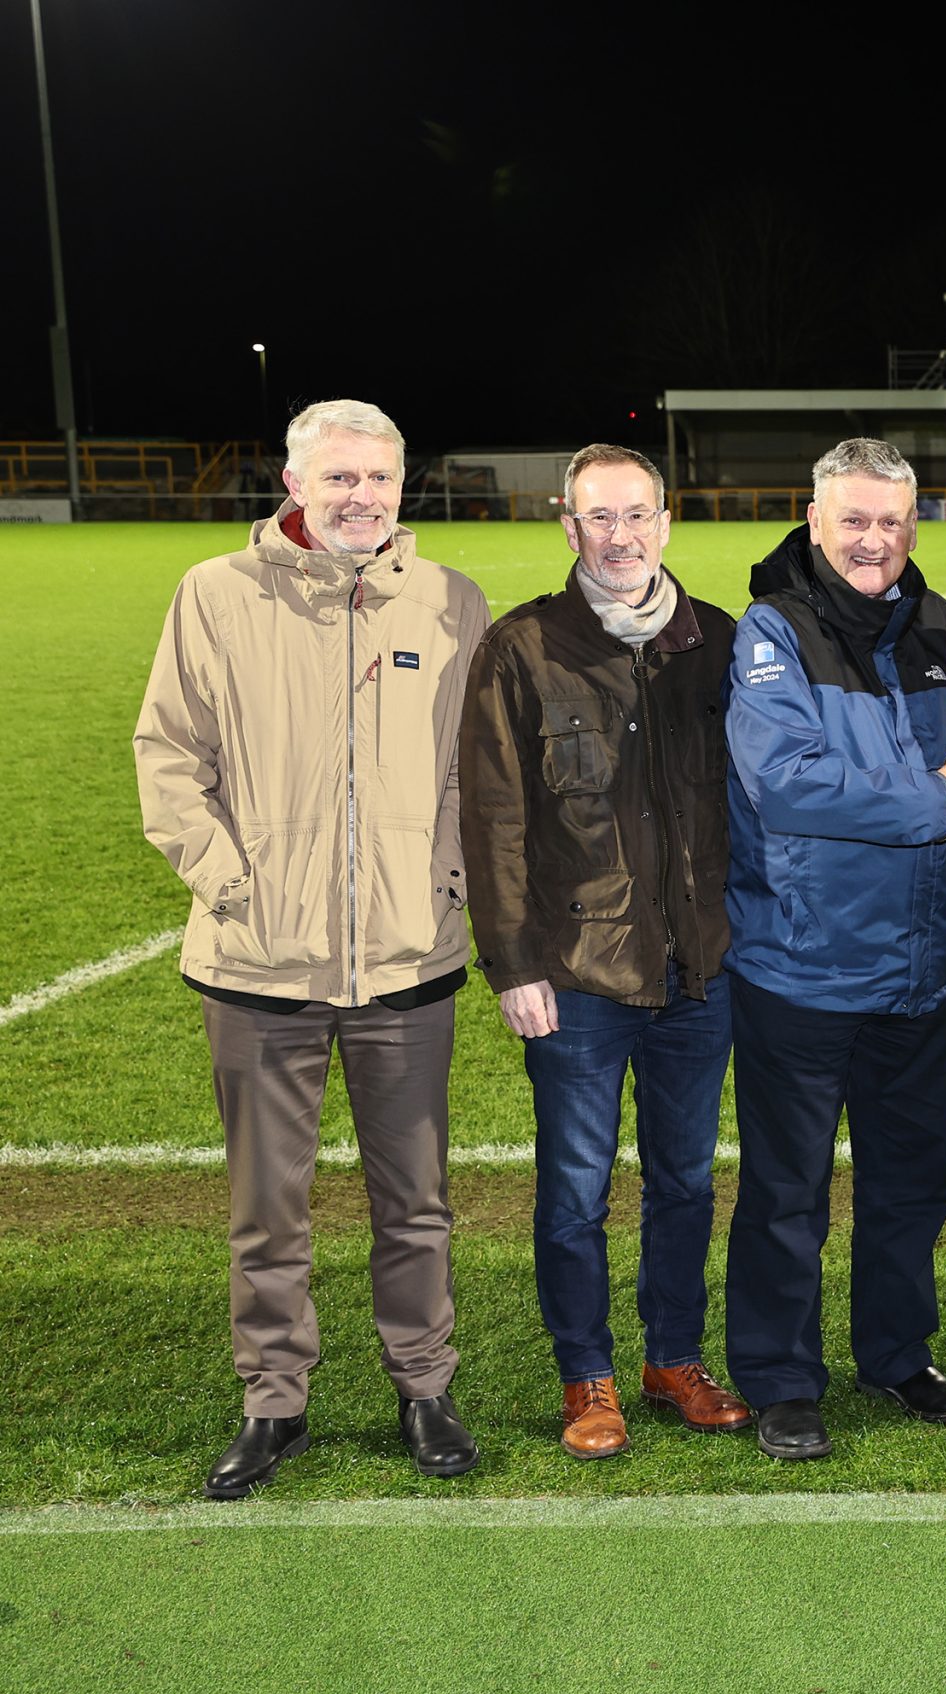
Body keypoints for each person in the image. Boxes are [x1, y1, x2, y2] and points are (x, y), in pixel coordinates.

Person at [135, 398, 490, 1497]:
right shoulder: (216, 595)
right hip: (255, 964)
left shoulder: (447, 601)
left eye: (378, 481)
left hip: (406, 960)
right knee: (265, 1209)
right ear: (293, 483)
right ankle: (273, 1404)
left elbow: (472, 775)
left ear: (400, 488)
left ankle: (423, 1388)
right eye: (338, 479)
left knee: (417, 1200)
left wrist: (448, 884)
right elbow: (168, 756)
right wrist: (235, 885)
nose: (360, 499)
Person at [460, 443, 748, 1459]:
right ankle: (586, 1375)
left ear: (665, 523)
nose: (618, 536)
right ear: (568, 527)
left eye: (636, 515)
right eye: (597, 518)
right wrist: (511, 961)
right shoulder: (523, 647)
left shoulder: (716, 641)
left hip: (697, 970)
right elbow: (491, 818)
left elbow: (746, 807)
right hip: (574, 974)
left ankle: (671, 1358)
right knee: (574, 1189)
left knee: (683, 1181)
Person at [721, 438, 946, 1461]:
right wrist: (936, 801)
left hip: (920, 965)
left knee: (912, 1180)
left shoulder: (944, 628)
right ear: (816, 523)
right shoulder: (772, 631)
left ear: (913, 528)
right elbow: (786, 781)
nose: (874, 541)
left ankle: (897, 1354)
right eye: (854, 521)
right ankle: (782, 1379)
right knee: (787, 1191)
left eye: (892, 523)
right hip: (801, 965)